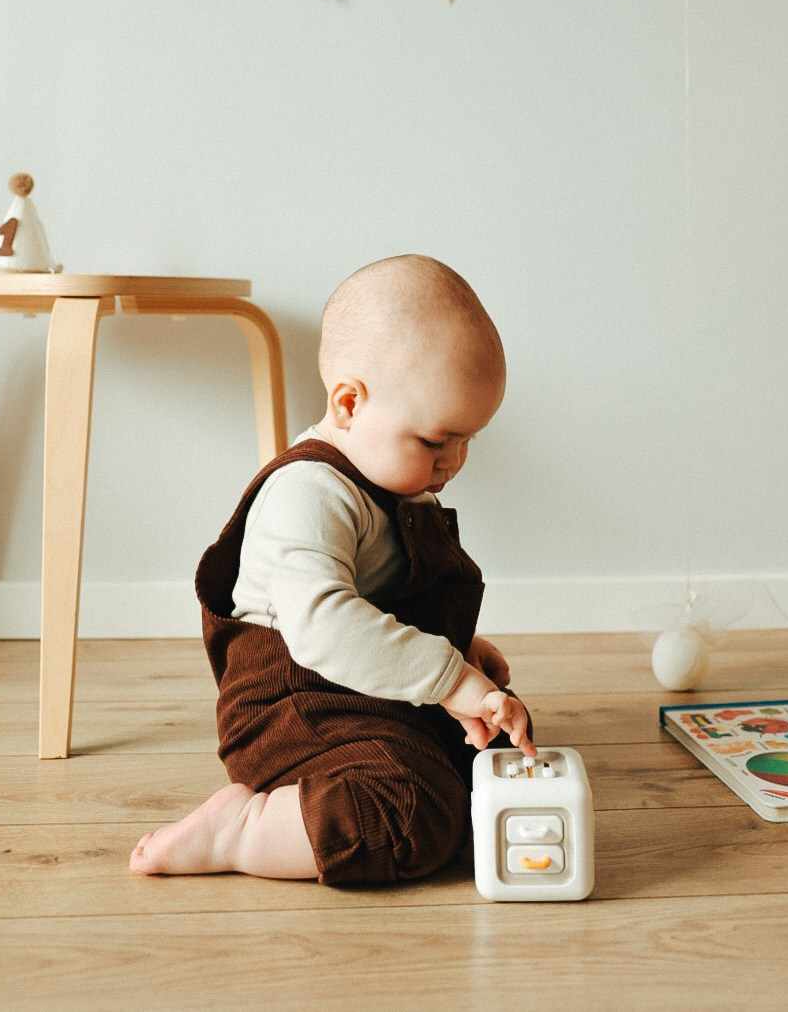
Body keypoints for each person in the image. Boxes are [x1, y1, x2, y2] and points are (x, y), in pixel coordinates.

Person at [130, 254, 534, 886]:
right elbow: (325, 626)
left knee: (495, 747)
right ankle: (242, 830)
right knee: (409, 811)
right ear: (349, 402)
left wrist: (460, 652)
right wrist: (448, 679)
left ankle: (436, 773)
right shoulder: (309, 495)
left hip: (363, 692)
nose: (452, 462)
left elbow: (386, 604)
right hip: (297, 707)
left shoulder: (395, 482)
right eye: (435, 440)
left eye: (467, 441)